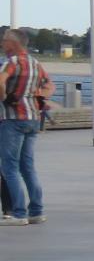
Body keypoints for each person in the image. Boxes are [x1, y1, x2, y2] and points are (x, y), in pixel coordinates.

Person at [0, 28, 51, 227]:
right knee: (27, 167)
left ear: (13, 43)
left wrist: (4, 97)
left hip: (13, 118)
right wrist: (36, 96)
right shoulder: (35, 63)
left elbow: (1, 81)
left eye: (4, 40)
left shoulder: (12, 62)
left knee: (9, 167)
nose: (2, 43)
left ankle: (19, 212)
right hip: (32, 118)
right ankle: (36, 211)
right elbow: (49, 86)